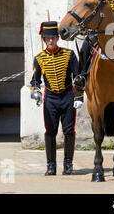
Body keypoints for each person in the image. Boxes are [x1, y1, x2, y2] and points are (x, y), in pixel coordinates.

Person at [30, 21, 83, 176]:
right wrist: (36, 91)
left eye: (53, 37)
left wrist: (79, 96)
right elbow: (35, 80)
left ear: (57, 38)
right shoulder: (39, 58)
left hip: (67, 96)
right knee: (50, 131)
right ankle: (51, 166)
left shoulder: (69, 55)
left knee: (69, 131)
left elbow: (78, 77)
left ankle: (68, 165)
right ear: (44, 40)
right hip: (51, 98)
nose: (50, 41)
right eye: (47, 38)